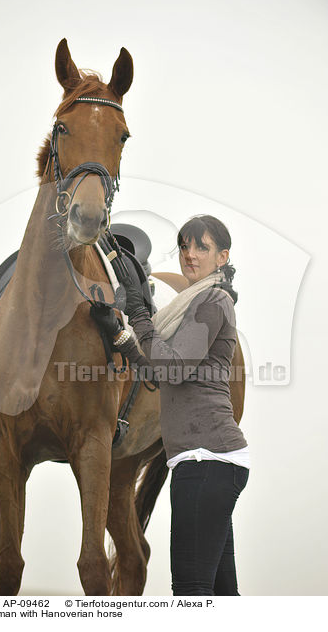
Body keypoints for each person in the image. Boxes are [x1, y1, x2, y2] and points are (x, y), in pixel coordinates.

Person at [92, 214, 249, 596]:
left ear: (222, 257)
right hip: (206, 463)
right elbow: (158, 377)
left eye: (202, 247)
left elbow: (173, 368)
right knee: (221, 593)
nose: (189, 254)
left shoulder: (212, 301)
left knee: (191, 593)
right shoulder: (193, 304)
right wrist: (124, 339)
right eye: (184, 246)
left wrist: (141, 315)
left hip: (205, 462)